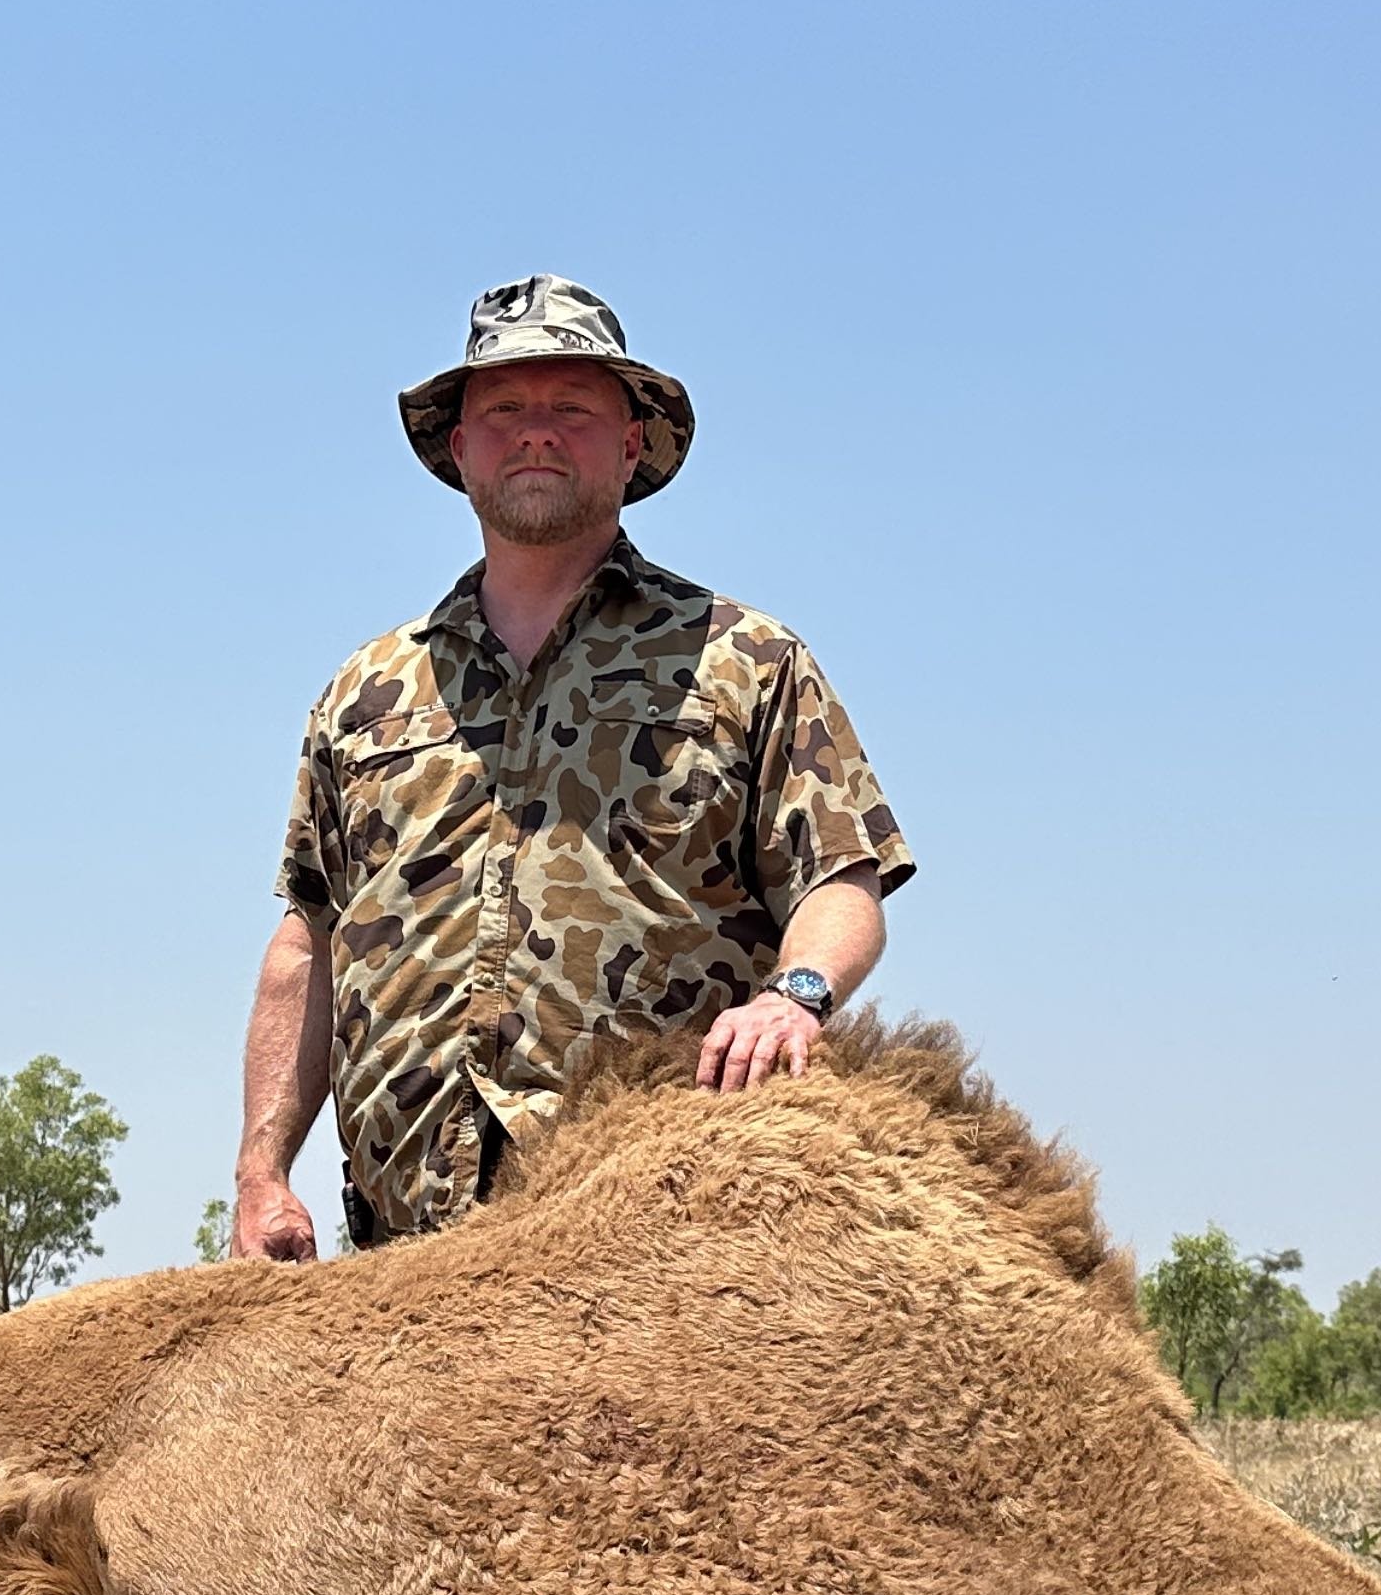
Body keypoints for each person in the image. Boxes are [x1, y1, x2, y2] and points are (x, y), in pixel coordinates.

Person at [230, 276, 913, 1258]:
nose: (536, 432)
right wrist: (260, 1177)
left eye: (572, 409)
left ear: (631, 444)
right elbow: (307, 945)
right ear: (461, 449)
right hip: (400, 1263)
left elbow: (844, 879)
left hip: (670, 1242)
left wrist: (794, 996)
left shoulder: (743, 659)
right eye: (503, 409)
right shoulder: (368, 691)